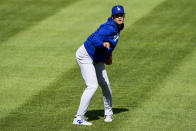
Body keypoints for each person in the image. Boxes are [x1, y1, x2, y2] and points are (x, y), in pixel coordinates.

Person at [73, 5, 125, 126]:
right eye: (117, 16)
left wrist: (108, 53)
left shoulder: (119, 26)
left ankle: (109, 113)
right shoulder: (108, 27)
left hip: (97, 58)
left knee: (105, 84)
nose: (120, 17)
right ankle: (78, 118)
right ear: (113, 17)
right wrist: (102, 45)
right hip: (85, 55)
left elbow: (111, 41)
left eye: (121, 15)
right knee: (92, 86)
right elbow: (94, 38)